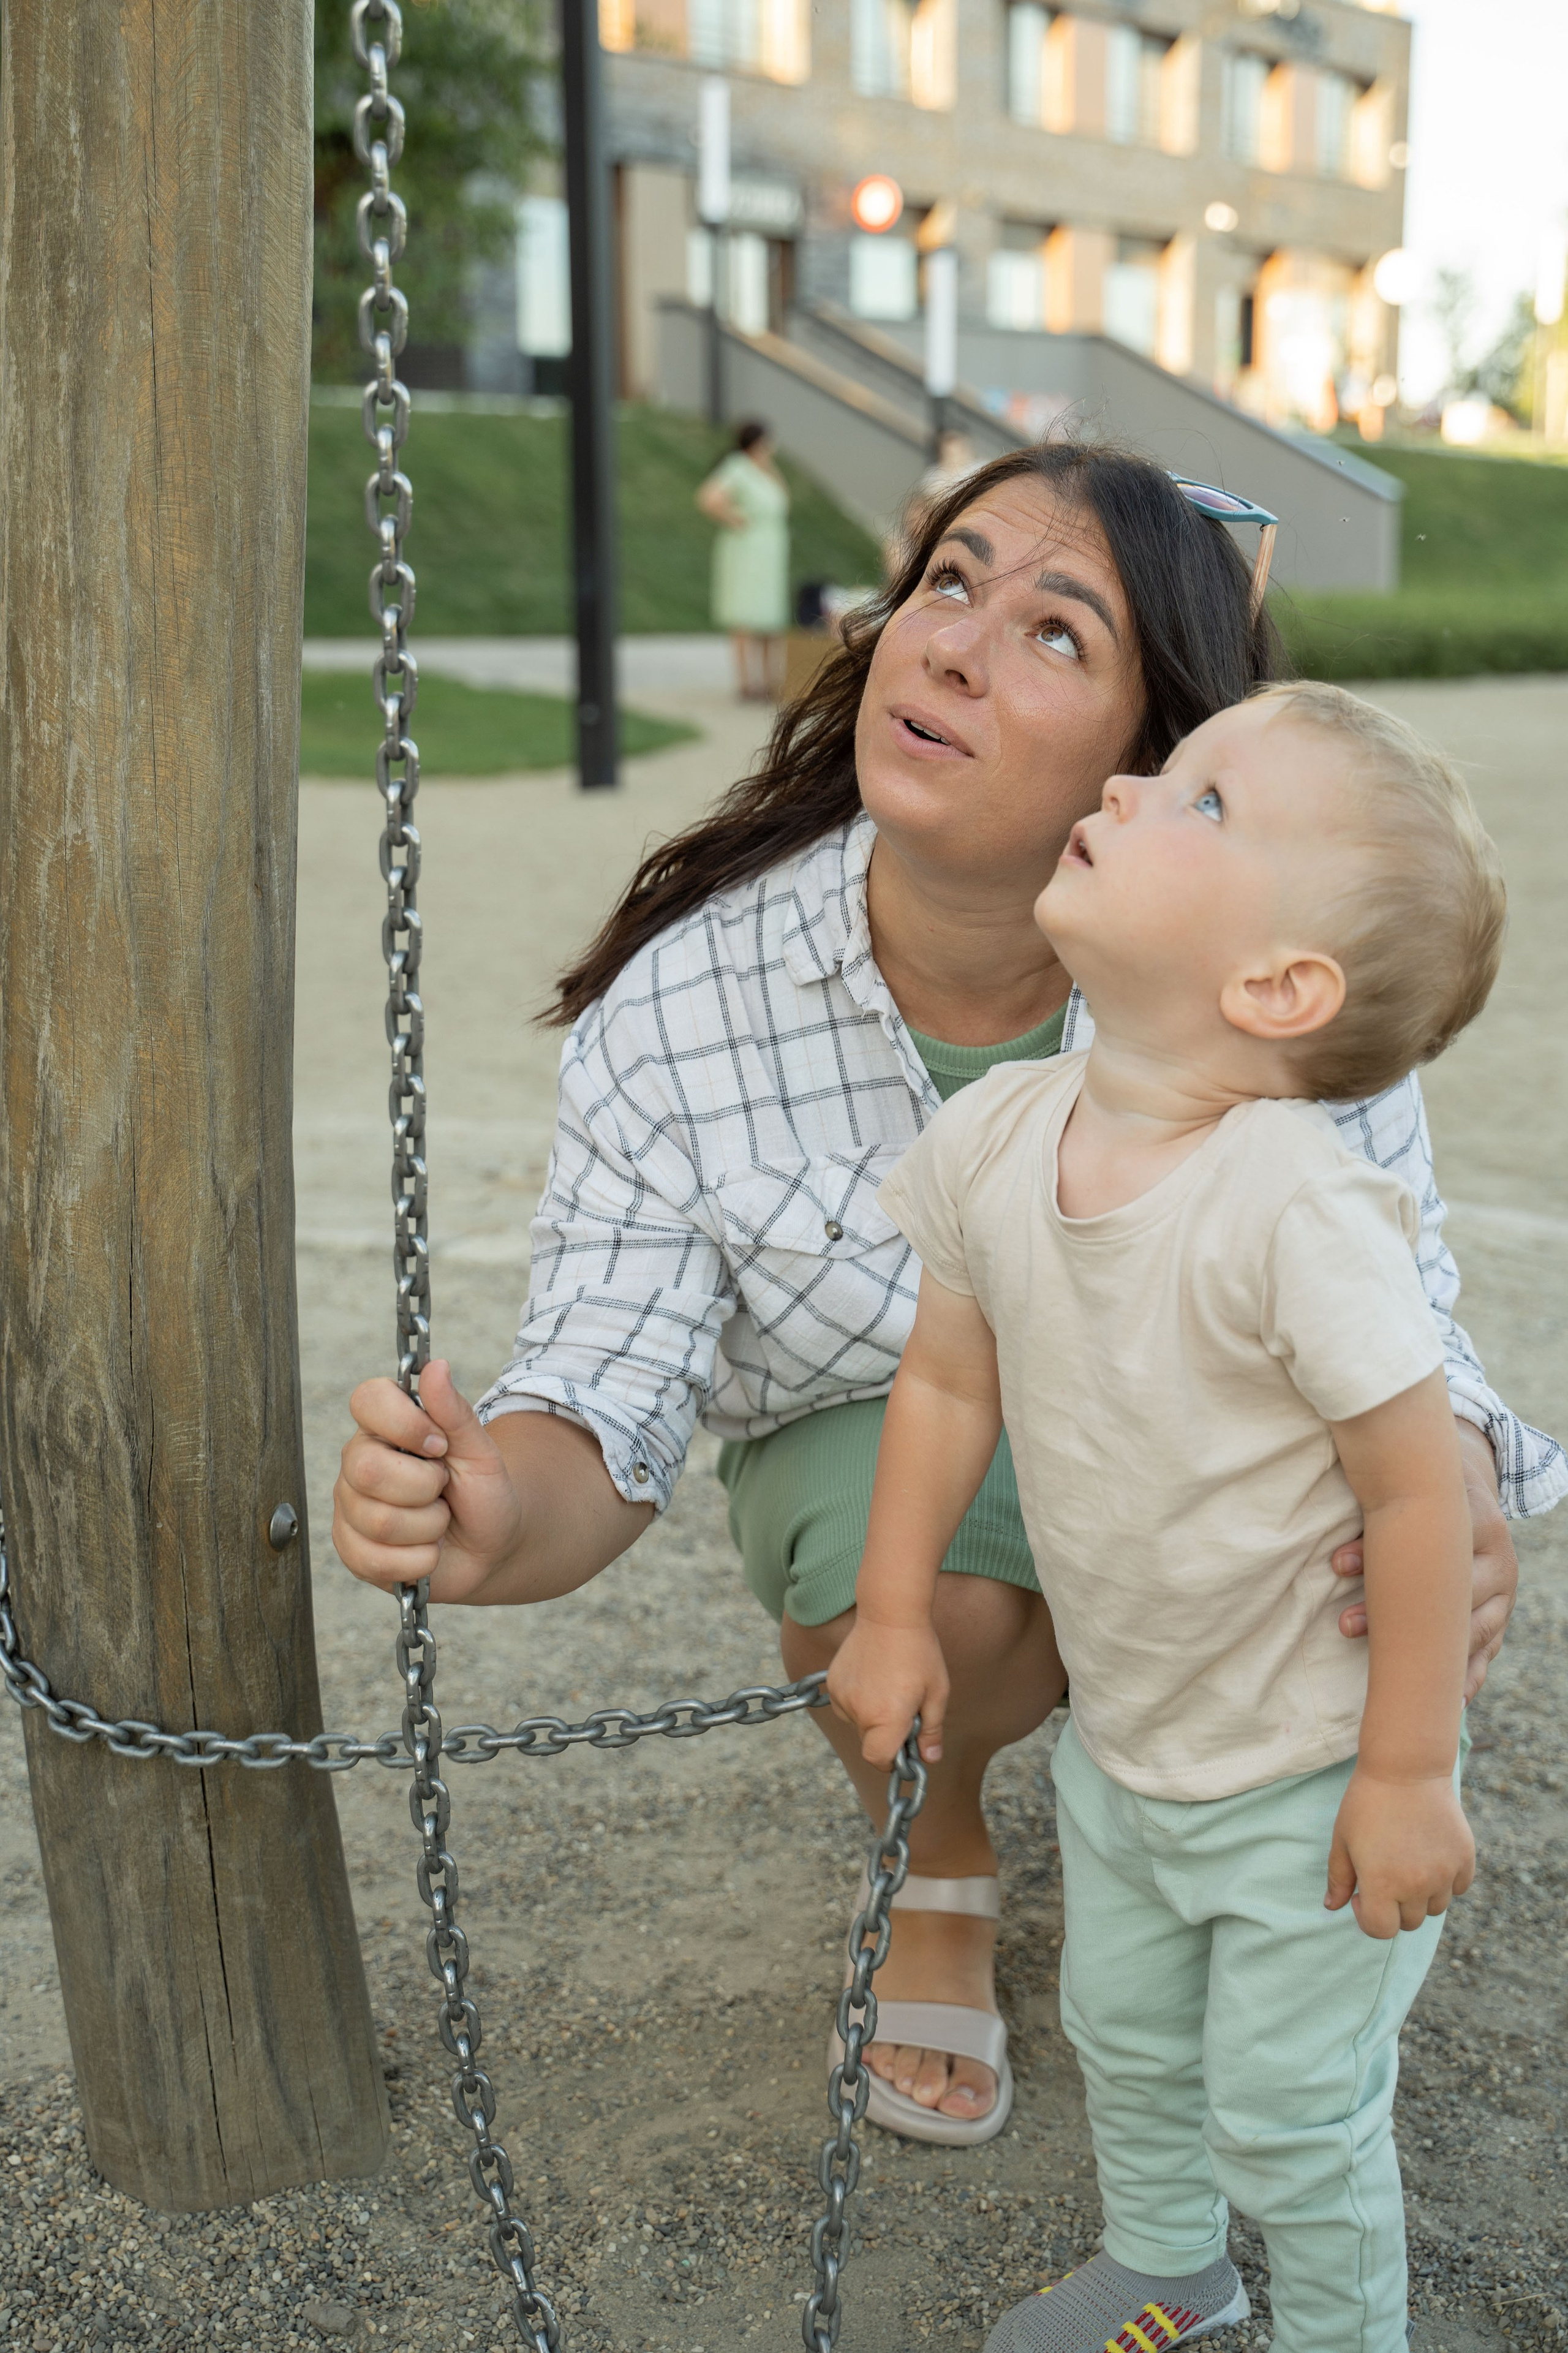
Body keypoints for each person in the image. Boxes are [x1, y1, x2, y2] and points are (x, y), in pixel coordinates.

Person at [332, 445, 1561, 2150]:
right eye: (950, 582)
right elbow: (598, 1397)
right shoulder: (690, 1003)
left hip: (1198, 1461)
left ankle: (1231, 1860)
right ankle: (940, 1841)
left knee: (1389, 1540)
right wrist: (481, 1512)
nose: (955, 647)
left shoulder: (1268, 978)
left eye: (1057, 633)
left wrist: (1467, 1499)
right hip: (900, 1471)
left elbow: (1411, 1324)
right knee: (914, 1593)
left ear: (1154, 757)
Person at [827, 680, 1519, 2351]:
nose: (1135, 781)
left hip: (1304, 1768)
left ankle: (1346, 2337)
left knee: (1291, 2104)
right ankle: (1172, 2278)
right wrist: (895, 1608)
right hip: (1129, 1744)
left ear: (1278, 985)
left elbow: (1416, 1485)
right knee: (1127, 2034)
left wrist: (1408, 1773)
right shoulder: (997, 1137)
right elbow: (943, 1387)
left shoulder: (1293, 1201)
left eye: (1204, 801)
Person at [696, 418, 791, 701]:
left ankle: (770, 680)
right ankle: (746, 683)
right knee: (746, 614)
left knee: (769, 618)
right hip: (748, 549)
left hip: (769, 550)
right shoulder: (737, 467)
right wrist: (736, 519)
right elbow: (709, 498)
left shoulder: (765, 471)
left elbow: (783, 501)